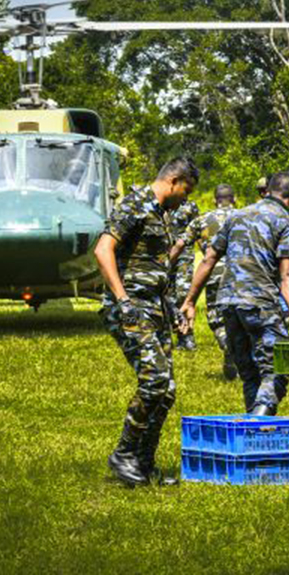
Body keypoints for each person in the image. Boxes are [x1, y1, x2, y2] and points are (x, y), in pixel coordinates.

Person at [94, 157, 199, 487]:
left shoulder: (165, 215)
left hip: (155, 308)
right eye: (187, 190)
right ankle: (123, 454)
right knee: (154, 380)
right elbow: (103, 249)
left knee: (166, 391)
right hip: (131, 308)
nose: (187, 197)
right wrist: (122, 300)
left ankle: (142, 464)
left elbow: (156, 270)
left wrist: (174, 309)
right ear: (173, 181)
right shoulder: (136, 204)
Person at [180, 170, 289, 416]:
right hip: (259, 303)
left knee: (250, 374)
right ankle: (254, 425)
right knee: (276, 369)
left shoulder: (237, 216)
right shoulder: (285, 223)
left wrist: (189, 301)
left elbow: (208, 259)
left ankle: (253, 436)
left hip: (228, 303)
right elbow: (288, 276)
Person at [169, 183, 238, 379]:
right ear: (234, 199)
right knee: (242, 314)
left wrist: (165, 265)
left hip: (215, 274)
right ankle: (242, 352)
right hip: (242, 274)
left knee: (217, 318)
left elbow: (180, 244)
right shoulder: (246, 216)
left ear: (215, 201)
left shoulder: (203, 219)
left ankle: (227, 344)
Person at [168, 197, 201, 351]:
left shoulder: (191, 206)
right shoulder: (163, 201)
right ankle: (168, 335)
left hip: (184, 256)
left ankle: (187, 336)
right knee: (167, 296)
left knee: (183, 294)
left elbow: (199, 230)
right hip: (165, 254)